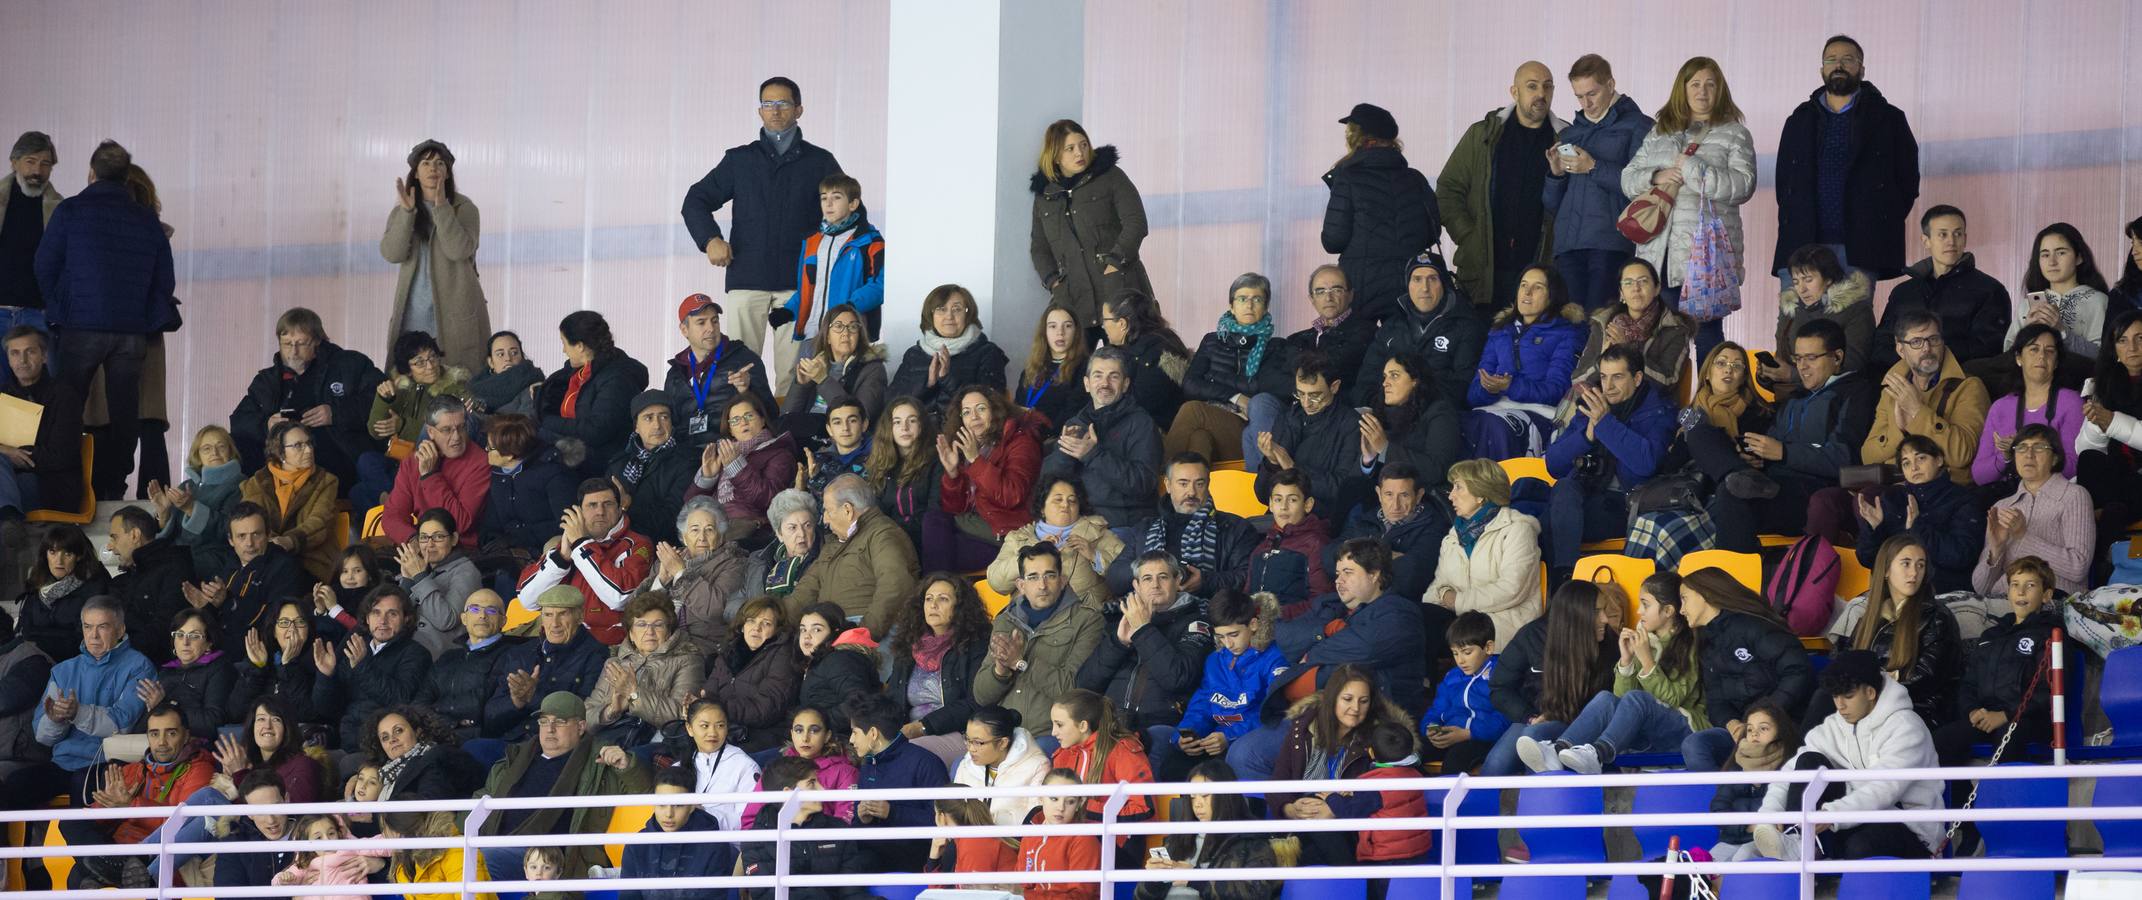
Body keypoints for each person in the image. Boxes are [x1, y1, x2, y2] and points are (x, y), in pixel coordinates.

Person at [34, 140, 178, 499]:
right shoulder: (146, 220)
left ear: (91, 173)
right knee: (125, 411)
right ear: (126, 177)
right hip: (130, 332)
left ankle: (68, 488)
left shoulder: (70, 212)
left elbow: (44, 265)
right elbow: (165, 280)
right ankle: (114, 485)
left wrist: (58, 307)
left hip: (80, 327)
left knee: (68, 406)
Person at [681, 76, 843, 359]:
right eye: (768, 104)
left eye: (783, 103)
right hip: (747, 275)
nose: (775, 110)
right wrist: (710, 239)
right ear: (760, 111)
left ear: (799, 110)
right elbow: (695, 200)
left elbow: (846, 212)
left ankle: (791, 408)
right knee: (740, 368)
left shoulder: (820, 162)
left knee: (795, 375)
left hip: (799, 280)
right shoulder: (740, 160)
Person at [1696, 318, 1876, 552]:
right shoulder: (1794, 397)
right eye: (1798, 358)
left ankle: (1731, 581)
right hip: (1773, 484)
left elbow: (1845, 458)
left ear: (1837, 357)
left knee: (1733, 494)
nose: (1802, 366)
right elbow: (1772, 441)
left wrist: (1783, 453)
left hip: (1813, 491)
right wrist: (1757, 457)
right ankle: (1735, 575)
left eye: (1812, 358)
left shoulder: (1856, 393)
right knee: (1729, 489)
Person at [1622, 57, 1758, 361]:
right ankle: (1665, 408)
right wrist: (1655, 176)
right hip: (1657, 257)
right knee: (1659, 345)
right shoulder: (1660, 131)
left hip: (1704, 258)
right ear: (1682, 89)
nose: (1702, 91)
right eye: (1695, 84)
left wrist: (1693, 169)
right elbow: (1628, 178)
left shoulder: (1735, 134)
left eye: (1710, 84)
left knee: (1707, 338)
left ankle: (1707, 406)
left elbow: (1743, 185)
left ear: (1720, 89)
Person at [1752, 651, 1942, 862]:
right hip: (1854, 819)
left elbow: (1884, 788)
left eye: (1848, 696)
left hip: (1911, 831)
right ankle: (1800, 843)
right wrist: (1770, 814)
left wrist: (1833, 814)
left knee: (1859, 846)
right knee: (1809, 761)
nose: (1840, 705)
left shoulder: (1906, 726)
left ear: (1870, 692)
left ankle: (1810, 855)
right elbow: (1792, 771)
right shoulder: (1833, 726)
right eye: (1835, 696)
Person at [1772, 35, 1921, 289]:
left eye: (1848, 59)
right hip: (1802, 243)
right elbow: (1784, 182)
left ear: (1862, 69)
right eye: (1831, 59)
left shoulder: (1888, 119)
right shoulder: (1798, 120)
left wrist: (1880, 217)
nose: (1838, 65)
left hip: (1860, 245)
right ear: (1822, 70)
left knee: (1853, 325)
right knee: (1798, 325)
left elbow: (1907, 181)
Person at [1520, 572, 1706, 774]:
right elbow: (1621, 699)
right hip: (1647, 731)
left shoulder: (1690, 643)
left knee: (1638, 698)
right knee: (1606, 698)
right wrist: (1626, 661)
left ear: (1668, 611)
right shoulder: (1644, 641)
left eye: (1645, 605)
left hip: (1686, 729)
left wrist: (1647, 662)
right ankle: (1557, 751)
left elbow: (1673, 699)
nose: (1638, 611)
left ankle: (1597, 754)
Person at [473, 690, 651, 881]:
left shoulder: (599, 764)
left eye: (560, 721)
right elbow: (478, 804)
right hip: (495, 844)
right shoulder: (513, 760)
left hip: (555, 860)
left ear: (581, 726)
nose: (549, 729)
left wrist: (627, 767)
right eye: (543, 721)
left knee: (480, 862)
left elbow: (646, 796)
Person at [1439, 61, 1565, 310]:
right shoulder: (1483, 136)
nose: (1541, 94)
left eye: (1547, 87)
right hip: (1484, 270)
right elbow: (1448, 189)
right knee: (1483, 344)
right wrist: (1469, 235)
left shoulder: (1565, 140)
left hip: (1538, 270)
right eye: (1532, 86)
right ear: (1514, 92)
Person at [1543, 344, 1679, 574]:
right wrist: (1587, 436)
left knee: (1543, 524)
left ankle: (1563, 583)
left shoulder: (1659, 411)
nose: (1608, 386)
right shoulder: (1591, 405)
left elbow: (1646, 465)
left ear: (1637, 378)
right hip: (1580, 497)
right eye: (1604, 377)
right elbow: (1553, 465)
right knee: (1562, 489)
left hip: (1625, 505)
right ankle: (1565, 577)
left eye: (1617, 377)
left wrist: (1606, 424)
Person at [231, 308, 386, 498]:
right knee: (235, 447)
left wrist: (335, 414)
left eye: (301, 344)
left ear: (318, 341)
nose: (293, 352)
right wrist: (267, 425)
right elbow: (239, 421)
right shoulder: (268, 380)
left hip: (337, 456)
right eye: (287, 344)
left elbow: (380, 399)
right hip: (282, 463)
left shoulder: (350, 364)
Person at [13, 598, 155, 805]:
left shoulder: (140, 666)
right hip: (64, 761)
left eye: (103, 627)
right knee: (15, 785)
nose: (94, 635)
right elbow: (43, 737)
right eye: (88, 627)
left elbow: (122, 724)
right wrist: (55, 719)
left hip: (110, 764)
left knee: (82, 785)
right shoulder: (63, 670)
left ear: (120, 629)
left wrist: (77, 713)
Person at [56, 701, 212, 888]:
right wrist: (106, 806)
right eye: (154, 734)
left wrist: (132, 806)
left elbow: (186, 826)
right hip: (119, 852)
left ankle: (110, 872)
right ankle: (113, 869)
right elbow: (99, 818)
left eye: (171, 733)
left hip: (159, 858)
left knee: (81, 873)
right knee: (71, 820)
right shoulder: (135, 769)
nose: (161, 742)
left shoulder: (199, 769)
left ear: (186, 736)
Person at [1264, 665, 1408, 866]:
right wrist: (1290, 809)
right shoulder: (1303, 728)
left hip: (1351, 828)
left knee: (1313, 847)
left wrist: (1334, 809)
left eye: (1363, 701)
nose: (1356, 708)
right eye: (1347, 699)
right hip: (1301, 825)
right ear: (1333, 699)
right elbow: (1279, 780)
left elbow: (1379, 797)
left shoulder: (1379, 738)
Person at [1676, 568, 1816, 772]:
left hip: (1786, 724)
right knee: (1695, 745)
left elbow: (1798, 671)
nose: (1681, 609)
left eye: (1684, 599)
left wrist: (1767, 717)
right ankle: (1717, 802)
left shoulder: (1754, 626)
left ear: (1705, 594)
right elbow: (1715, 701)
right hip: (1745, 731)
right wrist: (1732, 724)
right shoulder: (1706, 644)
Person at [1544, 55, 1654, 310]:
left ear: (1611, 84)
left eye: (1591, 93)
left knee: (1599, 324)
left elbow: (1642, 188)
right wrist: (1555, 175)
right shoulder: (1570, 133)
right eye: (1579, 96)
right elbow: (1551, 206)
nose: (1586, 103)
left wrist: (1593, 167)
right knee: (1570, 327)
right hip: (1567, 246)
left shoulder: (1639, 126)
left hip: (1610, 244)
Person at [1275, 538, 1429, 714]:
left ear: (1374, 575)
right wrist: (1324, 631)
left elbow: (1366, 647)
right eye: (1338, 574)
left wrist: (1312, 653)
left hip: (1379, 719)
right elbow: (1281, 636)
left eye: (1348, 572)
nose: (1338, 581)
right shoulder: (1330, 604)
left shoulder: (1400, 611)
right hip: (1313, 711)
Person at [1935, 556, 2060, 770]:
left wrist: (2005, 716)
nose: (2021, 592)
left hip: (2028, 720)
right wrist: (1973, 711)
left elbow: (2046, 691)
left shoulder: (2051, 635)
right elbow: (1968, 684)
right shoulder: (1991, 635)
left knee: (2007, 737)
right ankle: (1963, 802)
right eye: (2015, 585)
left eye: (2030, 585)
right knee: (1942, 739)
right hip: (1985, 717)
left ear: (2046, 595)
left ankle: (2005, 802)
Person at [1480, 581, 1617, 776]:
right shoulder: (1532, 636)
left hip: (1582, 725)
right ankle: (1478, 806)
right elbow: (1500, 688)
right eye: (1596, 611)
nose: (1605, 618)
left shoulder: (1610, 643)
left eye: (1604, 610)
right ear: (1574, 616)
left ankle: (1539, 805)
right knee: (1496, 765)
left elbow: (1610, 702)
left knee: (1532, 737)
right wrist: (1530, 717)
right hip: (1534, 718)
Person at [1321, 103, 1440, 324]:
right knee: (1402, 352)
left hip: (1361, 289)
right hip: (1409, 287)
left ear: (1356, 136)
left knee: (1360, 354)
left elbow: (1333, 241)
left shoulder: (1348, 179)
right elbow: (1432, 233)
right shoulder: (1415, 178)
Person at [1825, 535, 1962, 727]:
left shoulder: (1937, 616)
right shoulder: (1868, 614)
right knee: (1822, 700)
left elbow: (1926, 679)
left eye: (1920, 565)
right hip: (1867, 702)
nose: (1914, 573)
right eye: (1906, 563)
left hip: (1917, 709)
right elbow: (1841, 662)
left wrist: (1870, 691)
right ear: (1887, 570)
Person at [1029, 119, 1152, 328]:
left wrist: (1114, 263)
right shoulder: (1045, 197)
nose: (1080, 153)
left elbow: (1136, 222)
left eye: (1083, 145)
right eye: (1070, 148)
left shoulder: (1111, 176)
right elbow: (1039, 248)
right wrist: (1054, 283)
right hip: (1073, 300)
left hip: (1119, 290)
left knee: (1129, 356)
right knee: (1074, 361)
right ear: (1056, 156)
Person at [379, 140, 489, 369]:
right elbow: (392, 253)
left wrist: (441, 208)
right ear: (416, 173)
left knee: (458, 380)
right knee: (409, 376)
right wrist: (407, 213)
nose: (433, 168)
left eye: (440, 163)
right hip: (413, 310)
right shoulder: (403, 209)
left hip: (456, 311)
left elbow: (459, 250)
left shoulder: (464, 208)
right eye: (426, 163)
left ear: (447, 173)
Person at [1157, 590, 1287, 782]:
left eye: (1233, 634)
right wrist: (1187, 734)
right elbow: (1202, 705)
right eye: (1221, 636)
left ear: (1253, 624)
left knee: (1231, 761)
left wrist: (1229, 736)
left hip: (1243, 740)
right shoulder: (1214, 660)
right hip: (1215, 740)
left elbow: (1274, 713)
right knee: (1174, 766)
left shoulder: (1275, 658)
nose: (1228, 644)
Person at [973, 543, 1107, 729]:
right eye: (1033, 577)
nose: (1042, 585)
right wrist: (1000, 670)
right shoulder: (1005, 620)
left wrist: (1021, 664)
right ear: (1021, 585)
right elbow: (981, 696)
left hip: (1051, 735)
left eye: (1050, 576)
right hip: (1004, 735)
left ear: (1063, 581)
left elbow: (1075, 691)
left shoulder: (1087, 620)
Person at [1081, 552, 1214, 736]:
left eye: (1163, 577)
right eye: (1147, 578)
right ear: (1136, 585)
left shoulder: (1197, 624)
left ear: (1177, 580)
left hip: (1162, 727)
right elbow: (1085, 685)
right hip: (1111, 726)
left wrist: (1144, 629)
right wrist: (1118, 644)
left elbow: (1178, 679)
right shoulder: (1118, 621)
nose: (1155, 585)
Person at [775, 172, 884, 395]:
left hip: (847, 334)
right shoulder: (813, 242)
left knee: (836, 394)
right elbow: (807, 289)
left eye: (836, 197)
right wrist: (788, 311)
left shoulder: (869, 241)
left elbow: (880, 285)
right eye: (824, 198)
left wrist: (849, 308)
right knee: (802, 393)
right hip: (812, 334)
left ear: (853, 203)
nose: (828, 203)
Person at [1463, 264, 1587, 458]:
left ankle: (1500, 488)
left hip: (1539, 413)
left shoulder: (1566, 332)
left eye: (1537, 287)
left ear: (1552, 295)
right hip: (1492, 408)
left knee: (1494, 426)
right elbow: (1473, 394)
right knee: (1458, 423)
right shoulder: (1500, 331)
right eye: (1523, 285)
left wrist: (1510, 386)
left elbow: (1557, 390)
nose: (1527, 292)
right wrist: (1488, 388)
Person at [1169, 273, 1294, 463]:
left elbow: (1265, 388)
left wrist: (1212, 378)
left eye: (1257, 299)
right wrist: (1236, 396)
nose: (1249, 305)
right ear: (1232, 306)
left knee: (1192, 410)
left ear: (1266, 307)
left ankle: (1160, 479)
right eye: (1242, 299)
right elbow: (1190, 385)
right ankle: (1193, 489)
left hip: (1249, 427)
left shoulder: (1276, 346)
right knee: (1199, 438)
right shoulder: (1212, 340)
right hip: (1217, 420)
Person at [514, 477, 654, 645]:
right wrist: (561, 559)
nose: (600, 511)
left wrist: (582, 545)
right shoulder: (568, 545)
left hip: (610, 649)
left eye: (608, 504)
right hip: (560, 645)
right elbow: (527, 600)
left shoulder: (637, 544)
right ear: (579, 512)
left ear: (619, 509)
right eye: (592, 505)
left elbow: (620, 597)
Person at [1874, 205, 2012, 375]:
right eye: (1943, 234)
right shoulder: (1903, 292)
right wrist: (1912, 362)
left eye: (1958, 234)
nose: (1951, 242)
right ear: (1926, 241)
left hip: (1961, 381)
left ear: (1965, 238)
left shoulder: (1989, 290)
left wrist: (1930, 356)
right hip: (1902, 378)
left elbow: (1989, 347)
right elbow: (1881, 344)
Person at [1040, 347, 1165, 527]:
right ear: (1087, 383)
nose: (1105, 383)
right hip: (1076, 522)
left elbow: (1142, 484)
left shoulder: (1141, 423)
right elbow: (1047, 482)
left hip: (1122, 526)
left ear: (1125, 384)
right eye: (1098, 375)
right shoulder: (1076, 423)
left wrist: (1093, 454)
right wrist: (1065, 453)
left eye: (1113, 376)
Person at [1859, 308, 1989, 482]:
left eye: (1933, 339)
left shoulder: (1969, 386)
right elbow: (1868, 456)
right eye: (1916, 342)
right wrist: (1899, 429)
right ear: (1900, 349)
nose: (1927, 348)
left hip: (1944, 489)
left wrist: (1917, 411)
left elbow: (1962, 454)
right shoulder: (1892, 389)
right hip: (1897, 484)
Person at [785, 472, 919, 637]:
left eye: (828, 510)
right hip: (827, 631)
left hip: (872, 631)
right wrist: (774, 622)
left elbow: (895, 585)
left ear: (847, 510)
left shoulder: (882, 533)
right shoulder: (832, 546)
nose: (825, 519)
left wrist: (863, 633)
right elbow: (804, 592)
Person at [1426, 459, 1542, 647]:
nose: (1451, 496)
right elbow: (1437, 587)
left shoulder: (1517, 529)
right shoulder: (1453, 536)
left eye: (1458, 488)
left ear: (1481, 494)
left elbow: (1512, 589)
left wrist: (1457, 600)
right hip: (1463, 622)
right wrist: (1443, 595)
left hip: (1504, 624)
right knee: (1417, 617)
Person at [1110, 454, 1257, 599]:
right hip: (1149, 612)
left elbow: (1250, 577)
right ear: (1168, 485)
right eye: (1183, 483)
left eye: (1199, 484)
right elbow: (1115, 579)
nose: (1191, 492)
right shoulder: (1145, 528)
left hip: (1210, 613)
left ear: (1208, 484)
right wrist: (1149, 570)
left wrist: (1206, 581)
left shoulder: (1236, 528)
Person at [1850, 436, 1985, 594]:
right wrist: (1873, 529)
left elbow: (1961, 554)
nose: (1914, 467)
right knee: (1854, 611)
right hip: (1892, 593)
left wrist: (1918, 528)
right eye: (1906, 463)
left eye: (1921, 458)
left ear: (1939, 460)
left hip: (1941, 594)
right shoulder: (1892, 498)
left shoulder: (1964, 499)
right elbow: (1867, 559)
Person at [1972, 423, 2092, 597]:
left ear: (2055, 458)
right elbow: (1981, 588)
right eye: (2021, 448)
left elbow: (2078, 568)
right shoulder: (2002, 506)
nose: (2028, 454)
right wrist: (1996, 550)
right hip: (2005, 603)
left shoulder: (2074, 496)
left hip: (2055, 602)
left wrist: (2023, 536)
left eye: (2039, 447)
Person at [933, 385, 1044, 571]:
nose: (974, 417)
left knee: (938, 552)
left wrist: (975, 460)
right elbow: (956, 508)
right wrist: (952, 474)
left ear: (996, 411)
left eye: (981, 409)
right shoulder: (967, 445)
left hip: (1006, 532)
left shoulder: (1021, 441)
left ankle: (936, 589)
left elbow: (1012, 495)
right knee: (934, 522)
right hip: (978, 526)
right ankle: (938, 589)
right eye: (966, 412)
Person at [312, 586, 433, 750]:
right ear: (367, 618)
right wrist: (326, 676)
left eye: (392, 614)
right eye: (376, 612)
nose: (383, 621)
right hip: (345, 739)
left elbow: (399, 698)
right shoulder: (356, 643)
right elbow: (326, 708)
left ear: (406, 619)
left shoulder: (417, 653)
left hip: (383, 746)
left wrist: (362, 666)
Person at [1357, 252, 1484, 407]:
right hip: (1388, 411)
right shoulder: (1391, 327)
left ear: (1444, 283)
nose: (1425, 288)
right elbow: (1365, 383)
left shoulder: (1466, 326)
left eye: (1432, 279)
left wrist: (1412, 400)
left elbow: (1463, 386)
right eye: (1417, 279)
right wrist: (1384, 407)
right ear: (1408, 285)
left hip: (1438, 416)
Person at [363, 331, 472, 510]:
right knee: (366, 463)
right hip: (399, 457)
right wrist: (384, 400)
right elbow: (375, 431)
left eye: (433, 358)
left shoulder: (455, 389)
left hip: (428, 460)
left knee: (363, 492)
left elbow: (446, 433)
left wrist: (403, 425)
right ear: (407, 369)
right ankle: (393, 503)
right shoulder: (401, 387)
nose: (429, 366)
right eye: (419, 362)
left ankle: (396, 508)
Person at [484, 586, 607, 742]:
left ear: (580, 616)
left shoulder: (596, 656)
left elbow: (582, 716)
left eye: (563, 614)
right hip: (510, 741)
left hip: (554, 747)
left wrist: (534, 696)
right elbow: (489, 719)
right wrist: (516, 702)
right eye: (548, 615)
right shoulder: (521, 653)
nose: (554, 623)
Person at [742, 757, 877, 899]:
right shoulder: (755, 840)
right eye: (812, 783)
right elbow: (765, 896)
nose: (822, 789)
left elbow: (852, 893)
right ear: (788, 793)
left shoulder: (838, 830)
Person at [847, 691, 952, 872]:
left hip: (916, 858)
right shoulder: (867, 764)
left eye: (855, 732)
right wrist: (862, 818)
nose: (851, 740)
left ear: (873, 733)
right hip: (872, 855)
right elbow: (858, 824)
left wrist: (892, 812)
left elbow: (944, 822)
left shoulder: (925, 763)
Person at [1254, 352, 1366, 520]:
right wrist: (1271, 463)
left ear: (1334, 387)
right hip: (1279, 520)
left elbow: (1342, 490)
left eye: (1315, 395)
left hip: (1320, 522)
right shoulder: (1288, 418)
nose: (1306, 403)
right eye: (1300, 394)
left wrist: (1294, 468)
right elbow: (1263, 496)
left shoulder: (1351, 425)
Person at [538, 310, 650, 475]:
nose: (563, 350)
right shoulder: (577, 372)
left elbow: (596, 430)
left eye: (564, 343)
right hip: (575, 458)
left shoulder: (617, 378)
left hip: (601, 467)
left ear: (580, 346)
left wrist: (546, 421)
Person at [887, 574, 993, 749]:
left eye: (943, 599)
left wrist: (924, 726)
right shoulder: (909, 645)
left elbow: (975, 702)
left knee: (910, 755)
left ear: (960, 607)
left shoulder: (976, 645)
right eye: (928, 599)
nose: (933, 605)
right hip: (910, 733)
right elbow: (892, 697)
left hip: (959, 733)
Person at [629, 496, 747, 650]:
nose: (701, 538)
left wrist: (680, 573)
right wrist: (662, 581)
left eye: (709, 530)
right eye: (695, 530)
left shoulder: (733, 562)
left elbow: (715, 610)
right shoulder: (669, 559)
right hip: (655, 642)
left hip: (698, 646)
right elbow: (635, 613)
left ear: (721, 536)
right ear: (684, 537)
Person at [987, 477, 1124, 608]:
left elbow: (1126, 576)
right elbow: (997, 583)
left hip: (1084, 622)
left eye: (1072, 501)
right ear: (1042, 508)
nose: (1065, 504)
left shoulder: (1097, 532)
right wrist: (1030, 555)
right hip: (1030, 623)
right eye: (1058, 500)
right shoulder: (1018, 538)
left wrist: (1095, 556)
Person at [662, 293, 775, 453]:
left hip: (735, 450)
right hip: (687, 455)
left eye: (715, 321)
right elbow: (670, 421)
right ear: (684, 329)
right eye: (701, 322)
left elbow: (771, 414)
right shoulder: (675, 373)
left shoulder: (743, 359)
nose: (711, 328)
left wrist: (746, 391)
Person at [584, 591, 703, 743]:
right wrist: (612, 710)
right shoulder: (614, 663)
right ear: (631, 634)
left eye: (658, 624)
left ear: (669, 631)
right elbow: (586, 716)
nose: (650, 631)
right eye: (641, 624)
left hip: (655, 744)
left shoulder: (688, 660)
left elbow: (682, 714)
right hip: (610, 738)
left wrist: (635, 695)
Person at [1564, 259, 1692, 399]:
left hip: (1646, 409)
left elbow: (1668, 382)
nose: (1636, 288)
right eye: (1628, 283)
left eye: (1643, 281)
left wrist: (1628, 349)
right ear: (1622, 292)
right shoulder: (1604, 323)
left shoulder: (1674, 329)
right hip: (1602, 403)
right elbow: (1577, 379)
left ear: (1657, 289)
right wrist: (1601, 360)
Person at [194, 501, 312, 652]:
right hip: (219, 648)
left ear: (269, 535)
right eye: (241, 536)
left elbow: (273, 621)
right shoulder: (230, 565)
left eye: (256, 534)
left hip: (256, 654)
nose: (249, 543)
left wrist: (229, 602)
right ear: (231, 540)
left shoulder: (285, 567)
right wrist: (205, 606)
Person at [1975, 324, 2084, 486]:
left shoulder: (2071, 402)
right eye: (2034, 349)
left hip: (2053, 495)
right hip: (2008, 496)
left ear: (2056, 362)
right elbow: (1979, 476)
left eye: (2049, 351)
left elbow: (2076, 468)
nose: (2042, 356)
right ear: (2019, 358)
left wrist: (2025, 449)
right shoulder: (2000, 407)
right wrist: (2005, 456)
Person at [1326, 462, 1448, 603]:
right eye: (1389, 494)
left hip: (1394, 604)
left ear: (1419, 495)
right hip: (1345, 600)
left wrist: (1353, 560)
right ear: (1379, 493)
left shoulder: (1434, 527)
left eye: (1404, 495)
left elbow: (1411, 576)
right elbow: (1329, 555)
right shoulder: (1366, 519)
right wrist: (1384, 555)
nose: (1395, 505)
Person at [378, 398, 489, 552]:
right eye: (447, 430)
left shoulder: (480, 462)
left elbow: (460, 523)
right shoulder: (412, 463)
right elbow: (391, 517)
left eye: (461, 427)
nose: (456, 437)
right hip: (422, 548)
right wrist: (413, 539)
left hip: (460, 552)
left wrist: (430, 476)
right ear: (430, 432)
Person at [886, 283, 1011, 419]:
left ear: (968, 314)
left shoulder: (988, 352)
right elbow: (891, 403)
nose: (949, 316)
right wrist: (927, 384)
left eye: (957, 309)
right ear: (930, 315)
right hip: (919, 435)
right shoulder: (914, 354)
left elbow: (992, 405)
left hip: (964, 435)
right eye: (941, 309)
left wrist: (947, 379)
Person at [687, 392, 798, 542]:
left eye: (749, 416)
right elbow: (691, 508)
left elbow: (770, 499)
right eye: (735, 420)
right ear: (730, 430)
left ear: (762, 419)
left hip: (753, 534)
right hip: (716, 532)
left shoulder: (779, 454)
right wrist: (707, 478)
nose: (743, 423)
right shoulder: (725, 455)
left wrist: (736, 468)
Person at [2004, 222, 2113, 376]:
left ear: (2079, 257)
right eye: (2045, 254)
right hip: (2032, 389)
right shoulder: (2027, 305)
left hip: (2079, 387)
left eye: (2061, 253)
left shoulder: (2098, 301)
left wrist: (2062, 332)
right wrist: (2027, 333)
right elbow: (2008, 356)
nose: (2052, 261)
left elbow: (2103, 356)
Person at [477, 413, 574, 584]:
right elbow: (492, 521)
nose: (486, 449)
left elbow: (565, 523)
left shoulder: (552, 473)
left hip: (545, 549)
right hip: (509, 552)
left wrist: (520, 537)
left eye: (490, 447)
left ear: (509, 455)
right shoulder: (498, 476)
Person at [2079, 311, 2142, 570]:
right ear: (2113, 349)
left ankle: (2099, 564)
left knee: (2115, 508)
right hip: (2119, 478)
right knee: (2088, 459)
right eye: (2123, 340)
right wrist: (2096, 422)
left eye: (2140, 338)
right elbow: (2085, 448)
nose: (2133, 348)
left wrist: (2112, 421)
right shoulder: (2102, 384)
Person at [239, 421, 341, 583]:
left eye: (309, 443)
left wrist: (290, 541)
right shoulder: (257, 482)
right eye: (298, 445)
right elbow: (252, 521)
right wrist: (273, 544)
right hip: (266, 557)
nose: (308, 450)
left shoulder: (326, 481)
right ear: (279, 453)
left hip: (311, 561)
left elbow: (319, 521)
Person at [418, 588, 524, 743]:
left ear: (504, 621)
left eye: (491, 610)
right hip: (438, 736)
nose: (482, 615)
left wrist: (441, 714)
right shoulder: (448, 657)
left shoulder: (513, 655)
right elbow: (419, 703)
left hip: (480, 741)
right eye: (474, 609)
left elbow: (487, 710)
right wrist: (450, 723)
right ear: (464, 618)